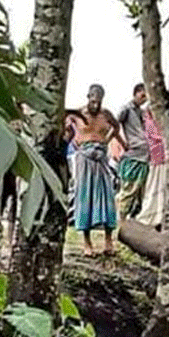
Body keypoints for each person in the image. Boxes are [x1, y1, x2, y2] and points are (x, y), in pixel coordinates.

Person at [65, 84, 125, 256]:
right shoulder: (77, 114)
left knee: (107, 197)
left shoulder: (106, 114)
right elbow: (67, 128)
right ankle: (87, 243)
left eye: (98, 102)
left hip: (101, 157)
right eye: (92, 101)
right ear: (88, 97)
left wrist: (107, 140)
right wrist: (72, 137)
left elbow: (116, 127)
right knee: (84, 197)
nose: (95, 105)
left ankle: (108, 242)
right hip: (84, 157)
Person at [115, 83, 149, 220]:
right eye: (142, 95)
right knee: (128, 190)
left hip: (144, 155)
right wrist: (122, 144)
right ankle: (121, 219)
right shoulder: (126, 109)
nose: (144, 98)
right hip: (134, 154)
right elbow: (114, 126)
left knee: (141, 191)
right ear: (136, 93)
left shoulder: (141, 112)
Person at [135, 106, 166, 228]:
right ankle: (151, 215)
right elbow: (156, 137)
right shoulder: (148, 121)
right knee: (154, 187)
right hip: (156, 157)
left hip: (164, 158)